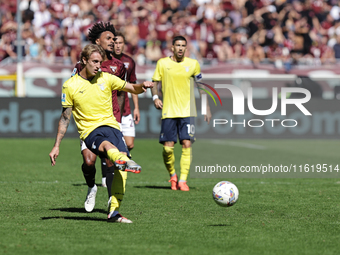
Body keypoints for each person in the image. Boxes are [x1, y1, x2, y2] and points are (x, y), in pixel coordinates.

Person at [49, 44, 153, 223]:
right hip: (90, 131)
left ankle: (114, 212)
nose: (99, 65)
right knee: (107, 149)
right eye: (95, 62)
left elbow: (130, 88)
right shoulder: (70, 85)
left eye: (100, 62)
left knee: (122, 171)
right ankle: (120, 160)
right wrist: (56, 145)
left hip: (112, 127)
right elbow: (65, 117)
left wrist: (142, 87)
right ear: (84, 61)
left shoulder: (107, 78)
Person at [71, 22, 127, 214]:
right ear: (98, 41)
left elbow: (120, 92)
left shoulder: (119, 66)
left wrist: (117, 115)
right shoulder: (82, 66)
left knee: (112, 160)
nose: (113, 41)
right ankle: (91, 187)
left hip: (109, 120)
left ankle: (112, 207)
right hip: (89, 122)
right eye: (109, 38)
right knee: (88, 161)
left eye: (114, 39)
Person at [151, 35, 211, 191]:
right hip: (169, 111)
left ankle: (183, 180)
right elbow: (154, 82)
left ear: (186, 48)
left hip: (188, 111)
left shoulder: (193, 64)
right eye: (177, 45)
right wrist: (155, 97)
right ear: (172, 47)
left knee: (187, 143)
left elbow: (201, 86)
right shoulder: (162, 63)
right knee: (167, 148)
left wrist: (206, 107)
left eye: (183, 45)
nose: (180, 48)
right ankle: (173, 175)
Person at [113, 31, 139, 152]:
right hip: (111, 109)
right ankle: (112, 168)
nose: (118, 45)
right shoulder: (105, 61)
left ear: (124, 44)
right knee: (116, 145)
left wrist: (136, 108)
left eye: (120, 43)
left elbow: (133, 85)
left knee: (129, 144)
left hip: (126, 109)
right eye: (115, 43)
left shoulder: (129, 61)